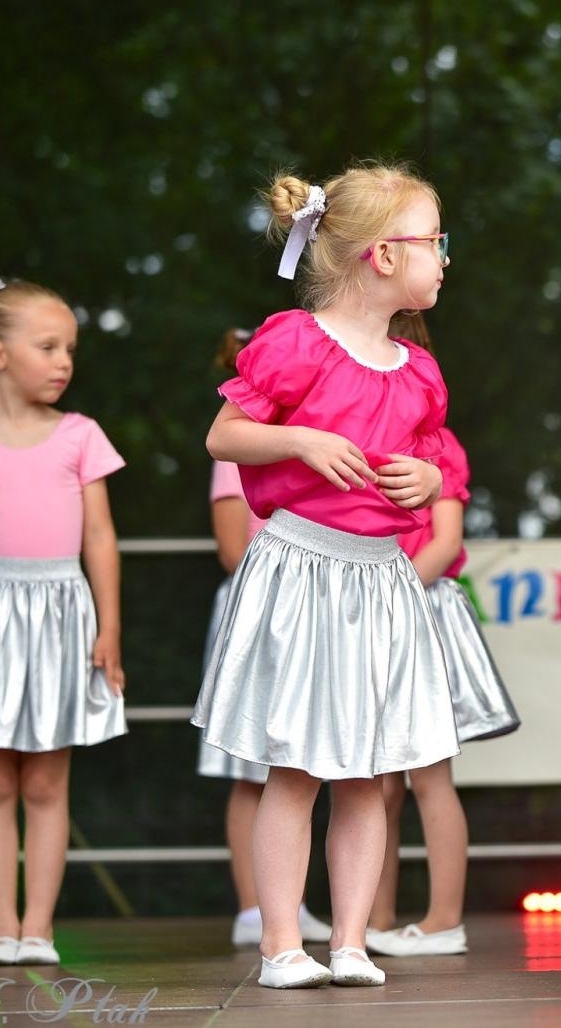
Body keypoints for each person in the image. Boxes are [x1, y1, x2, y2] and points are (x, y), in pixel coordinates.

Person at [192, 162, 460, 987]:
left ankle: (348, 940)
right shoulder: (294, 342)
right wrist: (299, 441)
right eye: (434, 241)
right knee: (296, 764)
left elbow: (427, 466)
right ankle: (281, 942)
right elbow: (225, 438)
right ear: (383, 255)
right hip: (304, 569)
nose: (445, 258)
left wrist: (427, 482)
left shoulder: (417, 371)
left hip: (379, 581)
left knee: (371, 770)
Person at [0, 277, 127, 966]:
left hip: (60, 614)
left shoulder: (81, 436)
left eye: (69, 347)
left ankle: (38, 929)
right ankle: (1, 928)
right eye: (47, 346)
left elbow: (100, 537)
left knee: (44, 782)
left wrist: (108, 628)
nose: (64, 359)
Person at [368, 312, 520, 959]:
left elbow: (447, 540)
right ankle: (369, 919)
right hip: (365, 614)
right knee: (370, 779)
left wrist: (385, 596)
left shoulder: (437, 447)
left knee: (429, 776)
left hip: (417, 610)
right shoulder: (348, 436)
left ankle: (442, 918)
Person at [199, 329, 333, 949]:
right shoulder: (239, 448)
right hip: (262, 606)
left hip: (313, 607)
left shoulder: (316, 441)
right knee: (251, 764)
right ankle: (253, 907)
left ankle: (290, 904)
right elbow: (233, 548)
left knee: (303, 757)